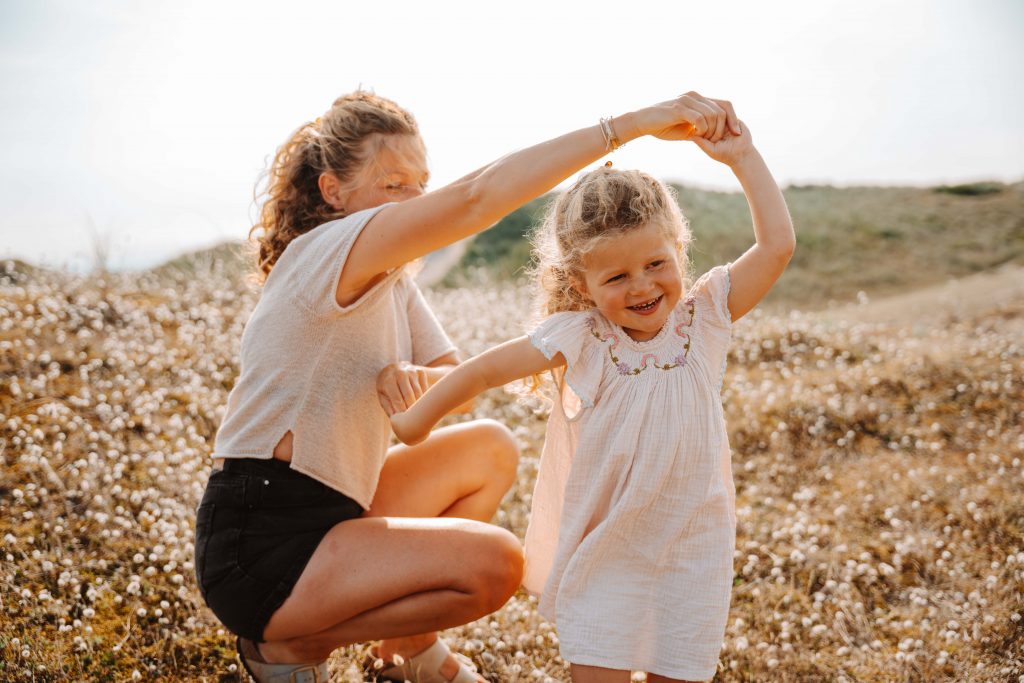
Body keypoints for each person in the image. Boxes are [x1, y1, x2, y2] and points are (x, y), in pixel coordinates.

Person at [193, 89, 739, 682]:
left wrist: (409, 378)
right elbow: (476, 199)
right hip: (262, 541)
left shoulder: (392, 282)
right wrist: (631, 126)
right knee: (497, 563)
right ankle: (290, 647)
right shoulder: (321, 253)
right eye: (394, 182)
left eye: (420, 183)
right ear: (334, 192)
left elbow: (459, 386)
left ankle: (409, 652)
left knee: (489, 447)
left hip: (336, 514)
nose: (415, 200)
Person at [387, 108, 795, 682]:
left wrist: (743, 158)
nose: (644, 286)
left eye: (657, 263)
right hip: (608, 551)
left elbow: (776, 246)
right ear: (582, 285)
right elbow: (482, 372)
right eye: (617, 277)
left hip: (691, 550)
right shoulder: (586, 340)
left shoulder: (705, 319)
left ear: (679, 249)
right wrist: (417, 420)